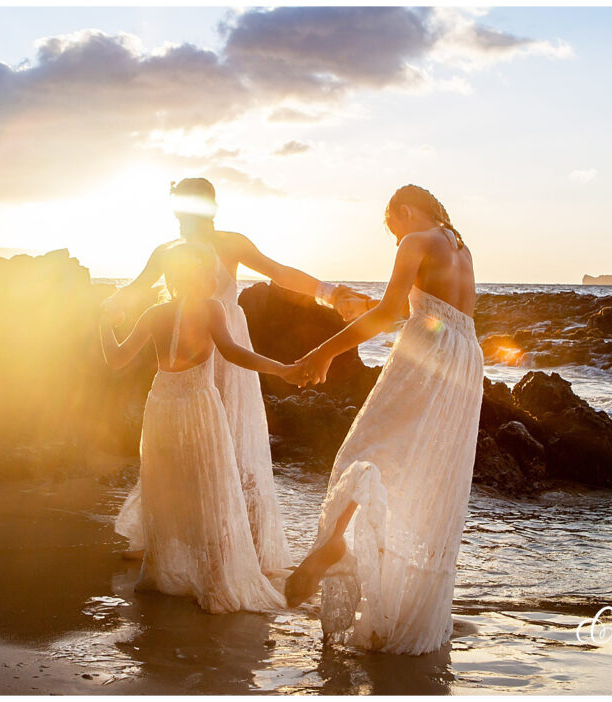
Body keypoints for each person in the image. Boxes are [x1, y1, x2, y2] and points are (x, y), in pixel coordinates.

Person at [109, 178, 373, 572]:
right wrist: (106, 307)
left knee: (231, 436)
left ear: (212, 207)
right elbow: (134, 290)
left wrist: (331, 293)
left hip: (227, 340)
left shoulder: (231, 242)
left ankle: (238, 539)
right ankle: (165, 536)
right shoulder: (167, 251)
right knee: (181, 439)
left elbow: (279, 272)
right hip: (190, 346)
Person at [284, 185, 484, 655]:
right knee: (425, 474)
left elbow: (391, 312)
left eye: (393, 229)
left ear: (405, 211)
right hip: (466, 359)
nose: (396, 242)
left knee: (366, 447)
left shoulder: (418, 242)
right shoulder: (461, 246)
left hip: (428, 353)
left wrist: (324, 351)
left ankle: (335, 541)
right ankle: (402, 600)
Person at [100, 242, 300, 613]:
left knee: (166, 486)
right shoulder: (211, 308)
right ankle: (213, 583)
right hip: (197, 405)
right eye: (210, 271)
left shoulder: (154, 312)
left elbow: (115, 359)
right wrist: (282, 369)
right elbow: (234, 352)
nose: (215, 277)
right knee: (208, 487)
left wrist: (103, 325)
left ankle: (159, 574)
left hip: (160, 406)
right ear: (200, 275)